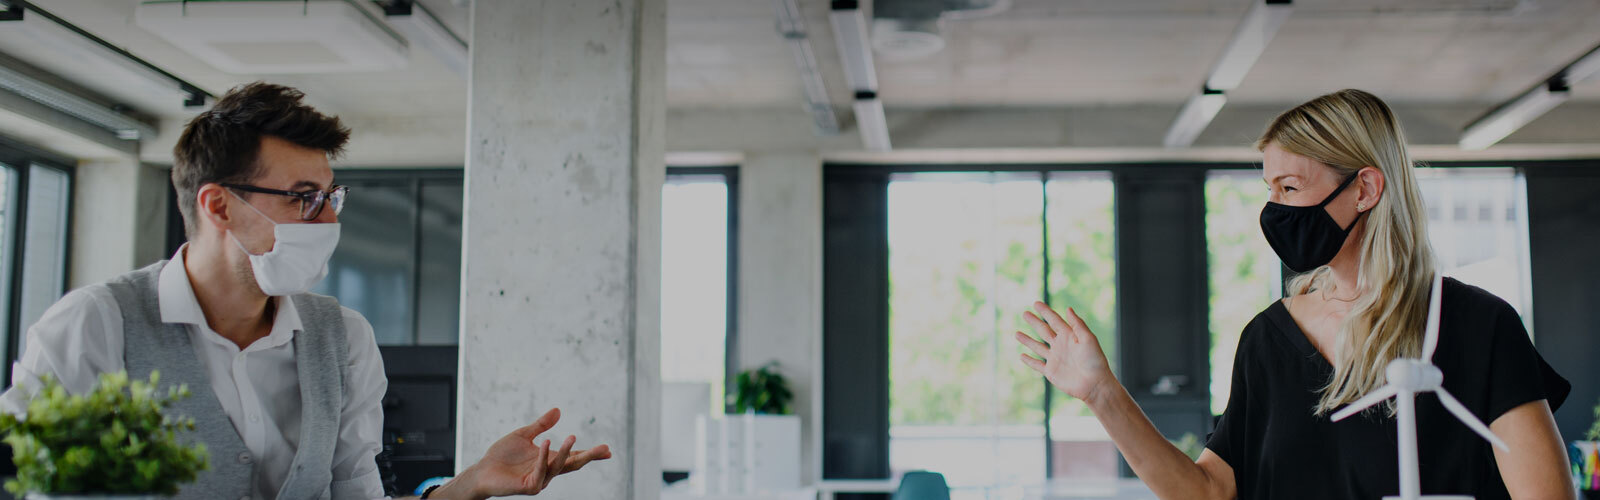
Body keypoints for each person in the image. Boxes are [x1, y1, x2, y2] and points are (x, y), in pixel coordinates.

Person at [0, 82, 610, 500]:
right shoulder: (95, 325)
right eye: (303, 198)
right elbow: (22, 477)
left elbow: (355, 492)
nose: (328, 221)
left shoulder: (342, 338)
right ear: (218, 205)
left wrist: (468, 484)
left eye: (331, 197)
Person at [1013, 89, 1573, 500]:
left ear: (1365, 188)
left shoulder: (1477, 326)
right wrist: (1102, 395)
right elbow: (1209, 492)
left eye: (1290, 187)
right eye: (1269, 189)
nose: (1274, 210)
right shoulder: (1268, 340)